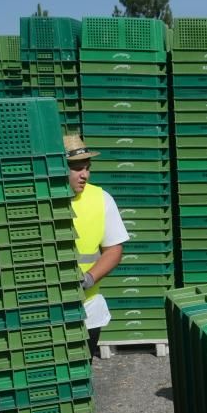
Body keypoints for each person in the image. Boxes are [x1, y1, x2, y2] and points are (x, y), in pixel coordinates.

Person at [64, 134, 129, 357]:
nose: (85, 175)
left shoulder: (101, 199)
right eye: (77, 169)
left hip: (87, 306)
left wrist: (88, 279)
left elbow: (114, 249)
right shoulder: (39, 201)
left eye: (87, 168)